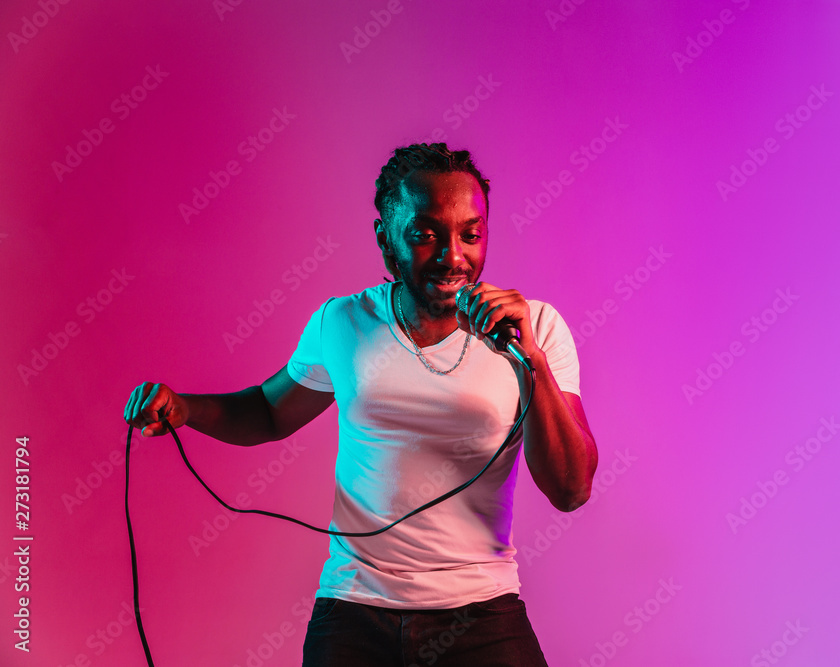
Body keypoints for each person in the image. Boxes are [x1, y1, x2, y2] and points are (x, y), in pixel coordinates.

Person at [123, 142, 598, 666]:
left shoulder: (537, 329)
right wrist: (185, 409)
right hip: (354, 611)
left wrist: (529, 359)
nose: (453, 256)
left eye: (471, 234)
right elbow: (268, 410)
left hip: (480, 611)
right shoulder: (343, 323)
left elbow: (571, 489)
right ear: (385, 239)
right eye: (425, 235)